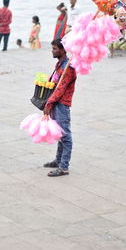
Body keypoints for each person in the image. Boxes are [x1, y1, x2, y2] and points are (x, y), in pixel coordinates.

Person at [43, 39, 77, 177]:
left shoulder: (68, 67)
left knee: (65, 135)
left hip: (62, 104)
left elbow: (60, 89)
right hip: (56, 102)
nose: (53, 51)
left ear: (63, 50)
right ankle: (58, 160)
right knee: (59, 134)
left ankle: (64, 167)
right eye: (52, 48)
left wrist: (48, 104)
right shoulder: (60, 64)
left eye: (55, 49)